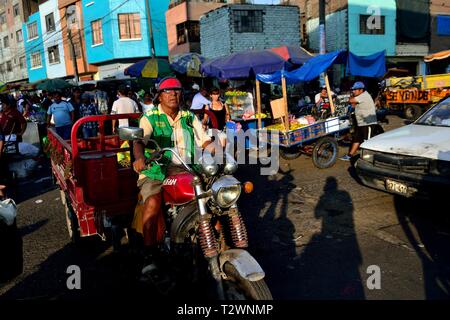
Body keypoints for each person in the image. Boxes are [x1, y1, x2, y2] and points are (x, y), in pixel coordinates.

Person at [132, 77, 213, 278]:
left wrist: (219, 152)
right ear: (160, 95)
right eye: (168, 91)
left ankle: (214, 238)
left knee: (215, 196)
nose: (173, 94)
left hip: (188, 169)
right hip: (157, 171)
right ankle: (149, 255)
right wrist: (140, 157)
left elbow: (205, 142)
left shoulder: (188, 116)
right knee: (152, 203)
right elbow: (139, 141)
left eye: (176, 91)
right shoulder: (149, 117)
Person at [340, 82, 378, 161]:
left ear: (361, 90)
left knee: (367, 141)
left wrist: (350, 97)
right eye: (353, 90)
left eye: (355, 90)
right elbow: (353, 104)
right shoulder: (360, 96)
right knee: (357, 139)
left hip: (368, 123)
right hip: (361, 123)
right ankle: (349, 156)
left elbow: (351, 101)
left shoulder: (364, 95)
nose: (353, 91)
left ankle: (369, 158)